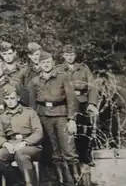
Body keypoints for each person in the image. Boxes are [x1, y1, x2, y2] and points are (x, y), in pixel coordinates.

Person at [27, 51, 79, 185]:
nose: (46, 65)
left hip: (61, 116)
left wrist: (72, 119)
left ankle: (76, 181)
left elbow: (72, 99)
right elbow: (32, 104)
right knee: (54, 152)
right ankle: (61, 181)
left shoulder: (63, 77)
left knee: (69, 150)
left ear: (53, 63)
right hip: (44, 118)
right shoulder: (34, 81)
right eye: (43, 63)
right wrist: (33, 124)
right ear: (38, 64)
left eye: (48, 62)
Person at [57, 44, 99, 168]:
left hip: (81, 102)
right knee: (67, 131)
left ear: (75, 55)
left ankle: (85, 155)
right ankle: (70, 157)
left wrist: (91, 103)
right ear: (63, 56)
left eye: (72, 55)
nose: (69, 57)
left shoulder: (83, 69)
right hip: (66, 102)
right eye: (67, 55)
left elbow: (92, 86)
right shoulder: (59, 69)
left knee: (84, 129)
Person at [0, 86, 43, 186]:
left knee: (21, 153)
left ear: (18, 98)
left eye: (12, 98)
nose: (10, 101)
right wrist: (6, 144)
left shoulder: (29, 112)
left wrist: (25, 142)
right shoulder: (2, 117)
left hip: (31, 146)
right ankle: (17, 182)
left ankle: (29, 184)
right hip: (12, 145)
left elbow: (38, 132)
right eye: (7, 99)